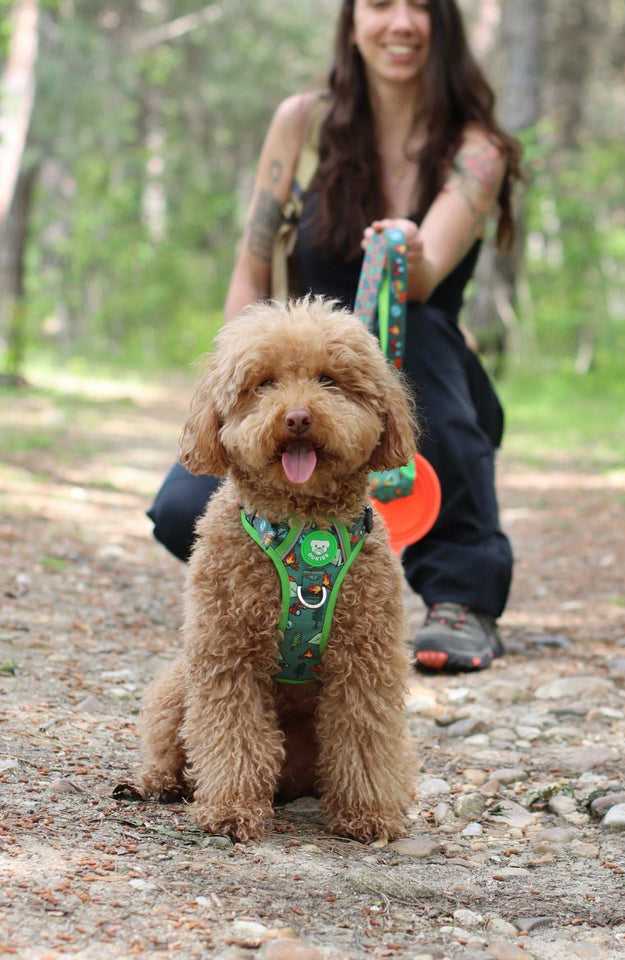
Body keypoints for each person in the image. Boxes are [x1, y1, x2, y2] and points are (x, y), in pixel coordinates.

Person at [148, 0, 522, 673]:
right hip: (295, 380)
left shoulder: (478, 150)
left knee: (423, 332)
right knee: (183, 509)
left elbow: (427, 272)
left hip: (423, 372)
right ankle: (281, 589)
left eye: (420, 7)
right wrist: (227, 376)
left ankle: (461, 597)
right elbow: (252, 272)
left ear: (446, 23)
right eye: (381, 4)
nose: (401, 23)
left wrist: (407, 246)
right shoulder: (303, 123)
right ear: (352, 21)